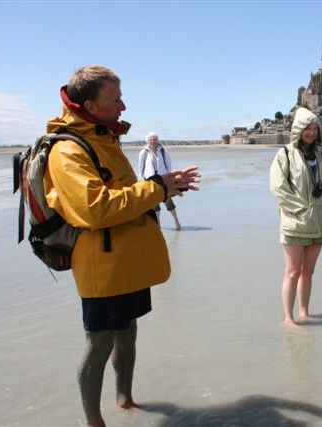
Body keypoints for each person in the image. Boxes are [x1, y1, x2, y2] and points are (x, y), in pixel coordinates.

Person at [43, 65, 200, 427]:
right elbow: (95, 209)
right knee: (98, 343)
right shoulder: (68, 149)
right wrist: (157, 187)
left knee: (128, 331)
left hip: (127, 258)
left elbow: (124, 192)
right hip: (102, 263)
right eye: (115, 100)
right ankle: (93, 421)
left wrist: (163, 185)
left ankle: (125, 400)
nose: (124, 106)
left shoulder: (103, 136)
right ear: (89, 105)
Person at [269, 107, 322, 327]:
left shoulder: (320, 155)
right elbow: (278, 188)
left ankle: (304, 312)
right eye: (307, 128)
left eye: (314, 129)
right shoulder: (285, 154)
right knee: (292, 272)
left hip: (318, 223)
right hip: (295, 223)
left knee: (308, 272)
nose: (311, 133)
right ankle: (289, 318)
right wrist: (301, 209)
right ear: (298, 129)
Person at [138, 132, 182, 230]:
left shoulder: (163, 151)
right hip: (150, 180)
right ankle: (158, 224)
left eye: (154, 139)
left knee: (168, 201)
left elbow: (168, 165)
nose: (153, 141)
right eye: (151, 139)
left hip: (163, 179)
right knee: (154, 203)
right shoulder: (143, 152)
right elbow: (141, 168)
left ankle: (177, 222)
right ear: (147, 141)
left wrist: (170, 178)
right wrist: (142, 180)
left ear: (157, 140)